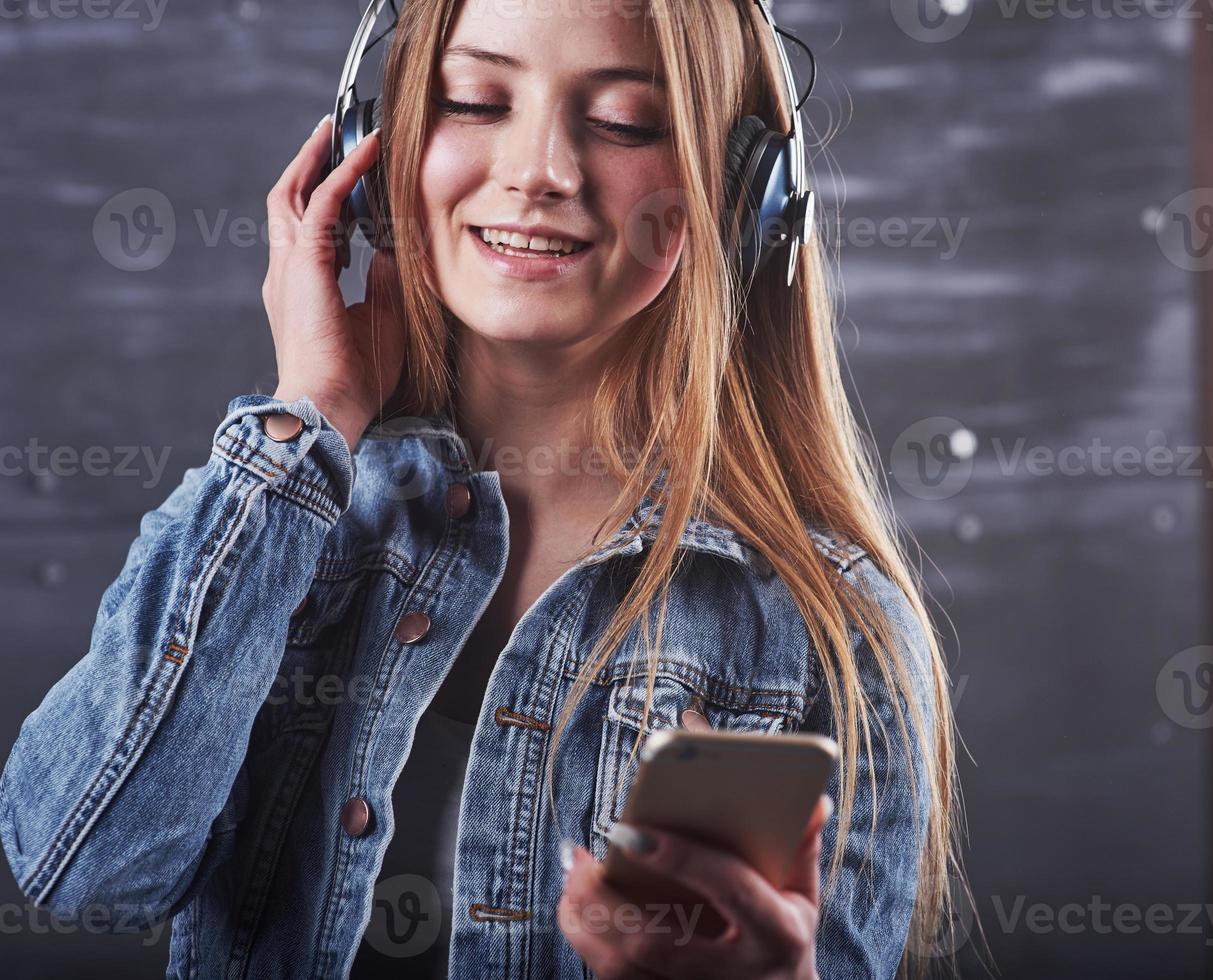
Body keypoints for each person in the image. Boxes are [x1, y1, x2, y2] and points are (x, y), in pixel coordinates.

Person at [0, 1, 963, 977]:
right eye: (472, 101)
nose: (538, 169)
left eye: (626, 121)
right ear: (375, 152)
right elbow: (87, 870)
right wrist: (310, 413)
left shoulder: (830, 632)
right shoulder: (281, 522)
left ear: (740, 193)